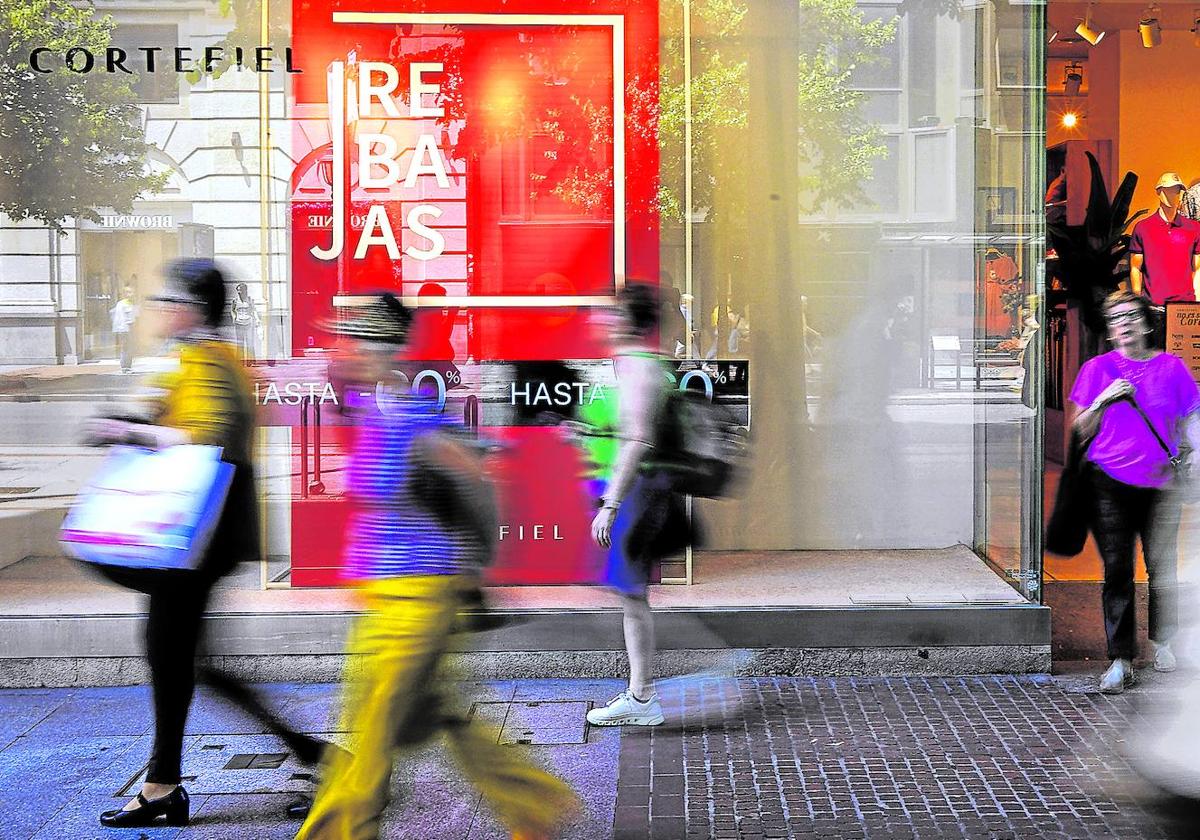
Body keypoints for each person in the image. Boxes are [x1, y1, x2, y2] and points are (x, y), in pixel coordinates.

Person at [297, 293, 577, 840]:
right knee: (446, 718)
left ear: (377, 349)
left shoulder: (411, 415)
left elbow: (478, 480)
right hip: (385, 597)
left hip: (418, 599)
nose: (336, 350)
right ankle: (537, 806)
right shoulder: (374, 408)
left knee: (371, 731)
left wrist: (476, 571)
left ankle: (335, 833)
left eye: (347, 339)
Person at [85, 260, 326, 828]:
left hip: (196, 534)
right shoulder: (199, 359)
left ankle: (315, 759)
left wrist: (134, 431)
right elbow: (178, 410)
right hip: (194, 534)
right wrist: (137, 417)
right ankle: (165, 783)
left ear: (193, 306)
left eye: (168, 299)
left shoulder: (210, 359)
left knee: (177, 654)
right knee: (179, 656)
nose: (158, 309)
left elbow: (213, 435)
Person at [1068, 290, 1200, 694]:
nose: (1122, 323)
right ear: (1109, 331)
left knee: (1162, 569)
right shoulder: (1096, 369)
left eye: (1129, 315)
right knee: (1118, 570)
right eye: (1114, 318)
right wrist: (1104, 399)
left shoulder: (1171, 368)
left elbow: (1192, 418)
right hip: (1110, 483)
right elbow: (1080, 428)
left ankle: (1163, 642)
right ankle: (1120, 659)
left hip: (1161, 484)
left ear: (1146, 323)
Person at [586, 282, 690, 727]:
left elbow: (637, 439)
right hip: (638, 492)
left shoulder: (637, 369)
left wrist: (610, 503)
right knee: (630, 594)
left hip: (639, 495)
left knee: (632, 595)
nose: (599, 319)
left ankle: (642, 697)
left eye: (609, 312)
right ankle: (641, 694)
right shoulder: (632, 366)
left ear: (627, 320)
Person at [1129, 172, 1200, 348]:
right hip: (1154, 307)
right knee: (1155, 361)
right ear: (1158, 191)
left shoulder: (1193, 228)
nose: (1172, 195)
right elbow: (1135, 268)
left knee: (1184, 365)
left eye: (1176, 190)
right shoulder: (1143, 228)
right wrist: (1139, 302)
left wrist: (1196, 303)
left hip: (1185, 309)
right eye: (1167, 190)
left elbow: (1197, 268)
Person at [111, 285, 137, 373]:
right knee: (126, 348)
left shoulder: (129, 303)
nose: (132, 294)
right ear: (125, 294)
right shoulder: (123, 304)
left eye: (132, 292)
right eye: (129, 292)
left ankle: (127, 366)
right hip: (124, 329)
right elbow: (125, 318)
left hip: (128, 328)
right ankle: (125, 367)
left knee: (129, 348)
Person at [231, 282, 260, 359]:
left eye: (240, 290)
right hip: (239, 323)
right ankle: (240, 360)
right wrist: (234, 317)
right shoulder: (235, 300)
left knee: (250, 342)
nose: (239, 292)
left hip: (248, 322)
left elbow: (254, 310)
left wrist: (257, 320)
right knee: (240, 343)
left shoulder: (250, 300)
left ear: (245, 290)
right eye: (238, 290)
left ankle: (251, 360)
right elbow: (232, 310)